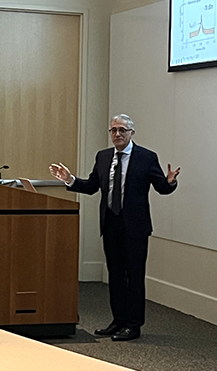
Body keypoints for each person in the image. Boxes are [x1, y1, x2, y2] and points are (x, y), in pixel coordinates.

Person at [50, 114, 180, 341]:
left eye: (122, 130)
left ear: (131, 133)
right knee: (116, 275)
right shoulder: (103, 157)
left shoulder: (146, 157)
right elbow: (91, 186)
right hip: (110, 224)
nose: (117, 134)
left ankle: (133, 325)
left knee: (134, 276)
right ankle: (118, 320)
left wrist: (170, 182)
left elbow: (161, 187)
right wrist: (70, 179)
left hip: (135, 227)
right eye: (113, 130)